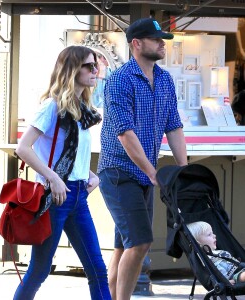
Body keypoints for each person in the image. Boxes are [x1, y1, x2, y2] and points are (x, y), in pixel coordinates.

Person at [97, 17, 188, 300]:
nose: (163, 43)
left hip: (143, 174)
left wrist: (184, 171)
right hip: (118, 173)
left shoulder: (164, 78)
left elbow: (174, 126)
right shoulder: (119, 80)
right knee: (140, 242)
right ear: (136, 44)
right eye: (156, 38)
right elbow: (125, 134)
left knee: (125, 248)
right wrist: (152, 172)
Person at [14, 46, 111, 300]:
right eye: (89, 66)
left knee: (98, 269)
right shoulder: (52, 106)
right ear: (72, 69)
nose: (95, 71)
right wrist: (53, 178)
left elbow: (72, 154)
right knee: (39, 271)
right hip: (54, 198)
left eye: (95, 66)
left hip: (78, 196)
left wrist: (92, 176)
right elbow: (23, 147)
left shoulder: (82, 109)